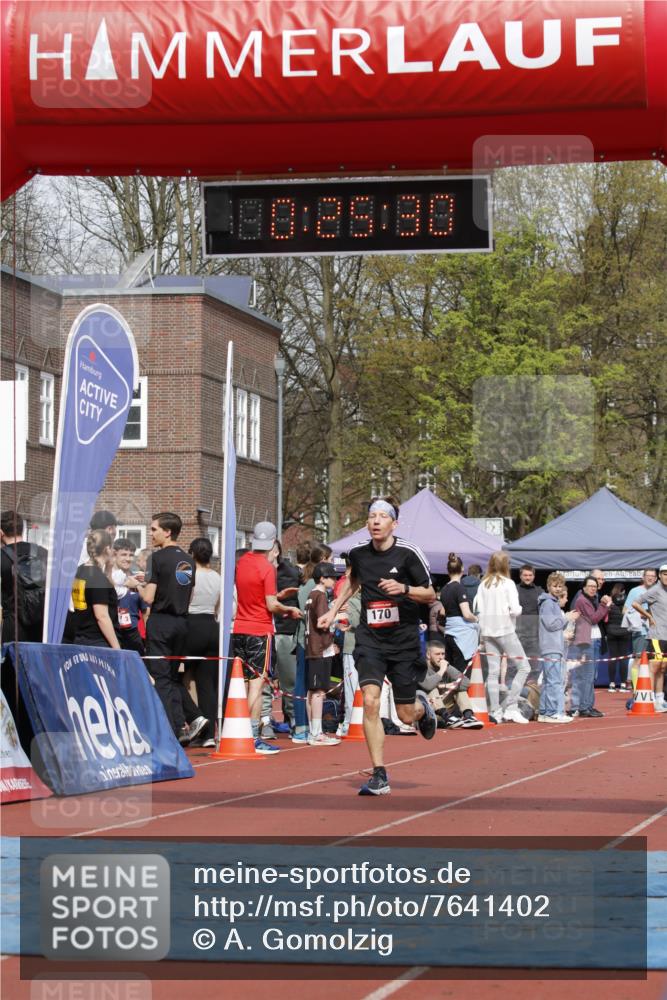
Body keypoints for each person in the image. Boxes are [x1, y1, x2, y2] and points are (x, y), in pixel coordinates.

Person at [318, 496, 437, 797]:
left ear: (394, 523)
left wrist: (405, 589)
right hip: (370, 639)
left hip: (404, 640)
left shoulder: (409, 553)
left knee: (405, 715)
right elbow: (352, 582)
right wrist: (333, 611)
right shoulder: (358, 553)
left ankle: (423, 710)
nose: (375, 521)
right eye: (372, 516)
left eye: (382, 516)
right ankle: (379, 774)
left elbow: (431, 593)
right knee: (370, 701)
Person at [232, 521, 302, 755]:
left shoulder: (242, 562)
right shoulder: (266, 568)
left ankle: (240, 731)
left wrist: (276, 598)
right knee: (257, 684)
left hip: (239, 627)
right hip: (260, 629)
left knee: (241, 683)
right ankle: (251, 735)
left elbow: (258, 596)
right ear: (273, 543)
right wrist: (289, 609)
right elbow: (270, 605)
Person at [142, 512, 200, 741]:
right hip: (182, 623)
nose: (151, 533)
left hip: (162, 621)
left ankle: (169, 731)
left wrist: (136, 585)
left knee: (162, 679)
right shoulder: (189, 560)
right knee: (174, 677)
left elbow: (148, 597)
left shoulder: (156, 558)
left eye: (154, 529)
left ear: (167, 532)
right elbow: (191, 593)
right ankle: (181, 724)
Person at [474, 551, 529, 725]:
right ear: (506, 565)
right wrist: (516, 610)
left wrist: (482, 633)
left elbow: (479, 610)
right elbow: (516, 609)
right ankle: (511, 707)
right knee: (524, 667)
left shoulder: (483, 585)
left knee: (493, 672)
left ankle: (496, 710)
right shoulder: (508, 584)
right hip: (505, 630)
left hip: (488, 632)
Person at [185, 536, 221, 747]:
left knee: (184, 675)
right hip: (211, 625)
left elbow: (186, 600)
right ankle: (208, 733)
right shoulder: (217, 576)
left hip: (192, 624)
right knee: (207, 682)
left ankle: (196, 719)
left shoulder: (190, 575)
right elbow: (218, 605)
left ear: (192, 554)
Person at [304, 562, 341, 746]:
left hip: (312, 647)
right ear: (322, 578)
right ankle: (317, 733)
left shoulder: (311, 595)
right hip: (319, 648)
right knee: (318, 691)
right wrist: (338, 617)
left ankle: (313, 730)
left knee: (312, 691)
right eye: (331, 577)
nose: (334, 580)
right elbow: (321, 623)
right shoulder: (320, 596)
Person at [0, 508, 47, 643]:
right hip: (41, 627)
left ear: (1, 532)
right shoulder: (43, 553)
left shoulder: (1, 556)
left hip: (13, 627)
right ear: (22, 529)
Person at [536, 573, 578, 724]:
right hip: (551, 646)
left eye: (560, 586)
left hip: (553, 645)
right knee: (553, 680)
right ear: (548, 586)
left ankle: (545, 712)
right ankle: (552, 712)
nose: (558, 589)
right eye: (555, 586)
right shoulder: (548, 603)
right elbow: (551, 624)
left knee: (549, 680)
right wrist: (566, 618)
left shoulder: (551, 602)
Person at [71, 529, 121, 649]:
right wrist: (117, 648)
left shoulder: (79, 571)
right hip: (98, 641)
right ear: (107, 549)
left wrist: (108, 571)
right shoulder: (98, 578)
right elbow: (101, 616)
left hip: (80, 638)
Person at [569, 576, 611, 718]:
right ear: (584, 587)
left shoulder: (592, 599)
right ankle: (584, 707)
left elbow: (601, 618)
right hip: (587, 641)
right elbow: (594, 618)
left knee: (591, 676)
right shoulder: (582, 600)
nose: (594, 588)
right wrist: (604, 605)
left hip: (594, 639)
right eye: (591, 586)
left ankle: (588, 705)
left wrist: (604, 608)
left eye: (595, 586)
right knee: (587, 675)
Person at [420, 639, 483, 729]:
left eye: (443, 654)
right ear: (428, 655)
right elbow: (427, 685)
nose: (441, 657)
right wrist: (443, 678)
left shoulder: (446, 666)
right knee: (432, 689)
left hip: (445, 704)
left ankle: (468, 716)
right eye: (437, 654)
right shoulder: (421, 667)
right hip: (427, 707)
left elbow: (466, 682)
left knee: (460, 689)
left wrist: (449, 673)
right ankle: (446, 718)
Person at [632, 565, 667, 710]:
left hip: (666, 635)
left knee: (663, 668)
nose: (666, 577)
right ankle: (651, 699)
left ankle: (660, 698)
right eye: (664, 574)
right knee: (655, 666)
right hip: (656, 635)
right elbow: (635, 603)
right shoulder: (655, 590)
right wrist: (648, 616)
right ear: (659, 576)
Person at [440, 553, 479, 673]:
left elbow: (442, 612)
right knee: (462, 674)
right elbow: (466, 614)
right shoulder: (459, 588)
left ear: (448, 571)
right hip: (461, 637)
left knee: (451, 672)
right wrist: (476, 619)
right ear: (462, 569)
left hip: (449, 633)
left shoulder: (444, 589)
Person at [111, 538, 147, 655]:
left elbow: (146, 610)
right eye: (124, 554)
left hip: (132, 633)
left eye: (131, 555)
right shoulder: (107, 576)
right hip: (112, 631)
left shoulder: (137, 578)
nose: (128, 559)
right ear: (114, 554)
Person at [624, 568, 658, 689]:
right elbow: (625, 610)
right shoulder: (635, 591)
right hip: (641, 632)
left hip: (657, 633)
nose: (650, 578)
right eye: (648, 575)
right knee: (638, 659)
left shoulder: (659, 591)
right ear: (643, 577)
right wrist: (642, 614)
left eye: (653, 576)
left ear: (656, 578)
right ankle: (635, 689)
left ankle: (648, 689)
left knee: (654, 663)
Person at [515, 564, 543, 682]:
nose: (527, 577)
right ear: (520, 576)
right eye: (525, 575)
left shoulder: (539, 591)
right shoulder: (514, 590)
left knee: (534, 668)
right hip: (518, 635)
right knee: (516, 667)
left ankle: (531, 694)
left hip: (534, 636)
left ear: (534, 576)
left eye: (530, 575)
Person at [605, 583, 632, 694]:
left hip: (611, 633)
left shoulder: (609, 602)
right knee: (623, 659)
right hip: (624, 632)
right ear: (624, 591)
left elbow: (605, 618)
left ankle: (611, 683)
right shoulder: (628, 602)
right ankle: (623, 684)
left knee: (612, 658)